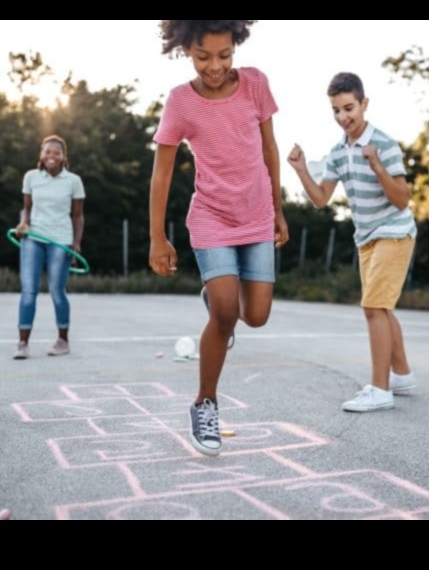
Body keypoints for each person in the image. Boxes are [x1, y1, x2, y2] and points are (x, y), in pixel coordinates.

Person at [148, 20, 289, 456]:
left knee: (257, 315)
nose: (214, 66)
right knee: (227, 312)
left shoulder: (255, 85)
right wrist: (157, 236)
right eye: (203, 56)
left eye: (224, 55)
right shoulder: (180, 102)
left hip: (257, 215)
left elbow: (270, 149)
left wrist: (279, 208)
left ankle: (218, 304)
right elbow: (163, 172)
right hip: (211, 217)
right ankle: (205, 403)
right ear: (186, 49)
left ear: (236, 46)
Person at [287, 72, 417, 413]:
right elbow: (320, 199)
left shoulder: (385, 145)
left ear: (364, 104)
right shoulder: (337, 152)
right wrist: (301, 170)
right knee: (382, 307)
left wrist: (376, 165)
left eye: (349, 108)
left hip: (394, 231)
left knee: (372, 307)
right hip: (366, 238)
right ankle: (401, 374)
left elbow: (402, 199)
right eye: (336, 110)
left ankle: (380, 389)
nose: (343, 117)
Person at [13, 134, 85, 359]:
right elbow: (27, 208)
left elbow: (78, 216)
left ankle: (62, 341)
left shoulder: (73, 181)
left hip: (60, 240)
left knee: (57, 291)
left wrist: (75, 244)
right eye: (47, 152)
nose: (51, 156)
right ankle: (22, 344)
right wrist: (23, 223)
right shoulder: (31, 177)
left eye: (56, 152)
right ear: (41, 155)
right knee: (28, 292)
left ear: (63, 157)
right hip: (33, 238)